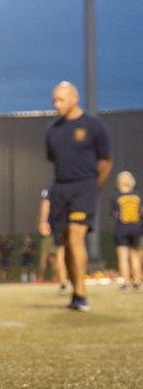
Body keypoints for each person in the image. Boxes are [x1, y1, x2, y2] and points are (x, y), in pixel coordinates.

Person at [45, 81, 113, 311]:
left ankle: (82, 295)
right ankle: (75, 292)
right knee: (64, 242)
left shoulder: (94, 126)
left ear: (75, 99)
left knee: (76, 237)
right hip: (61, 189)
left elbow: (105, 161)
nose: (57, 104)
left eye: (61, 100)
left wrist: (95, 187)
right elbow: (56, 163)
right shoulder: (52, 130)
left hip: (85, 187)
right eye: (54, 100)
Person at [111, 171, 142, 290]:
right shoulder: (137, 195)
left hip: (121, 228)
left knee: (123, 256)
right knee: (135, 254)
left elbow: (114, 214)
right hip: (135, 228)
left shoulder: (116, 197)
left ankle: (125, 282)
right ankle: (137, 281)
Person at [37, 185, 69, 289]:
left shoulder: (53, 186)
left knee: (58, 256)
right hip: (70, 224)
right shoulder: (78, 183)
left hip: (58, 226)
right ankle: (69, 281)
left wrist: (43, 221)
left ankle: (62, 281)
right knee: (59, 257)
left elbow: (45, 203)